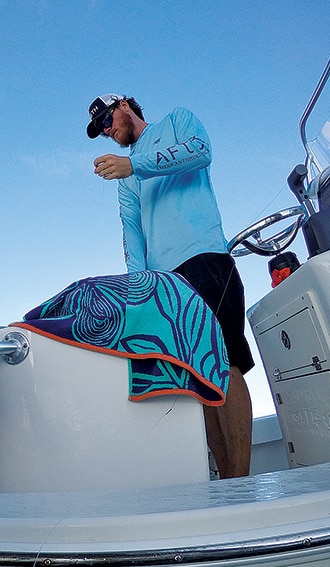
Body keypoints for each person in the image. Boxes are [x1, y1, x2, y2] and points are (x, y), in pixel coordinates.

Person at [87, 93, 254, 478]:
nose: (108, 131)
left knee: (226, 364)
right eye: (101, 131)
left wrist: (133, 164)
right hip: (165, 283)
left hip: (206, 258)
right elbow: (131, 232)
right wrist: (138, 288)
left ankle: (241, 482)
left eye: (108, 120)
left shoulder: (176, 122)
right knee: (196, 378)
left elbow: (200, 152)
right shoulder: (125, 176)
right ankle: (227, 486)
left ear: (125, 105)